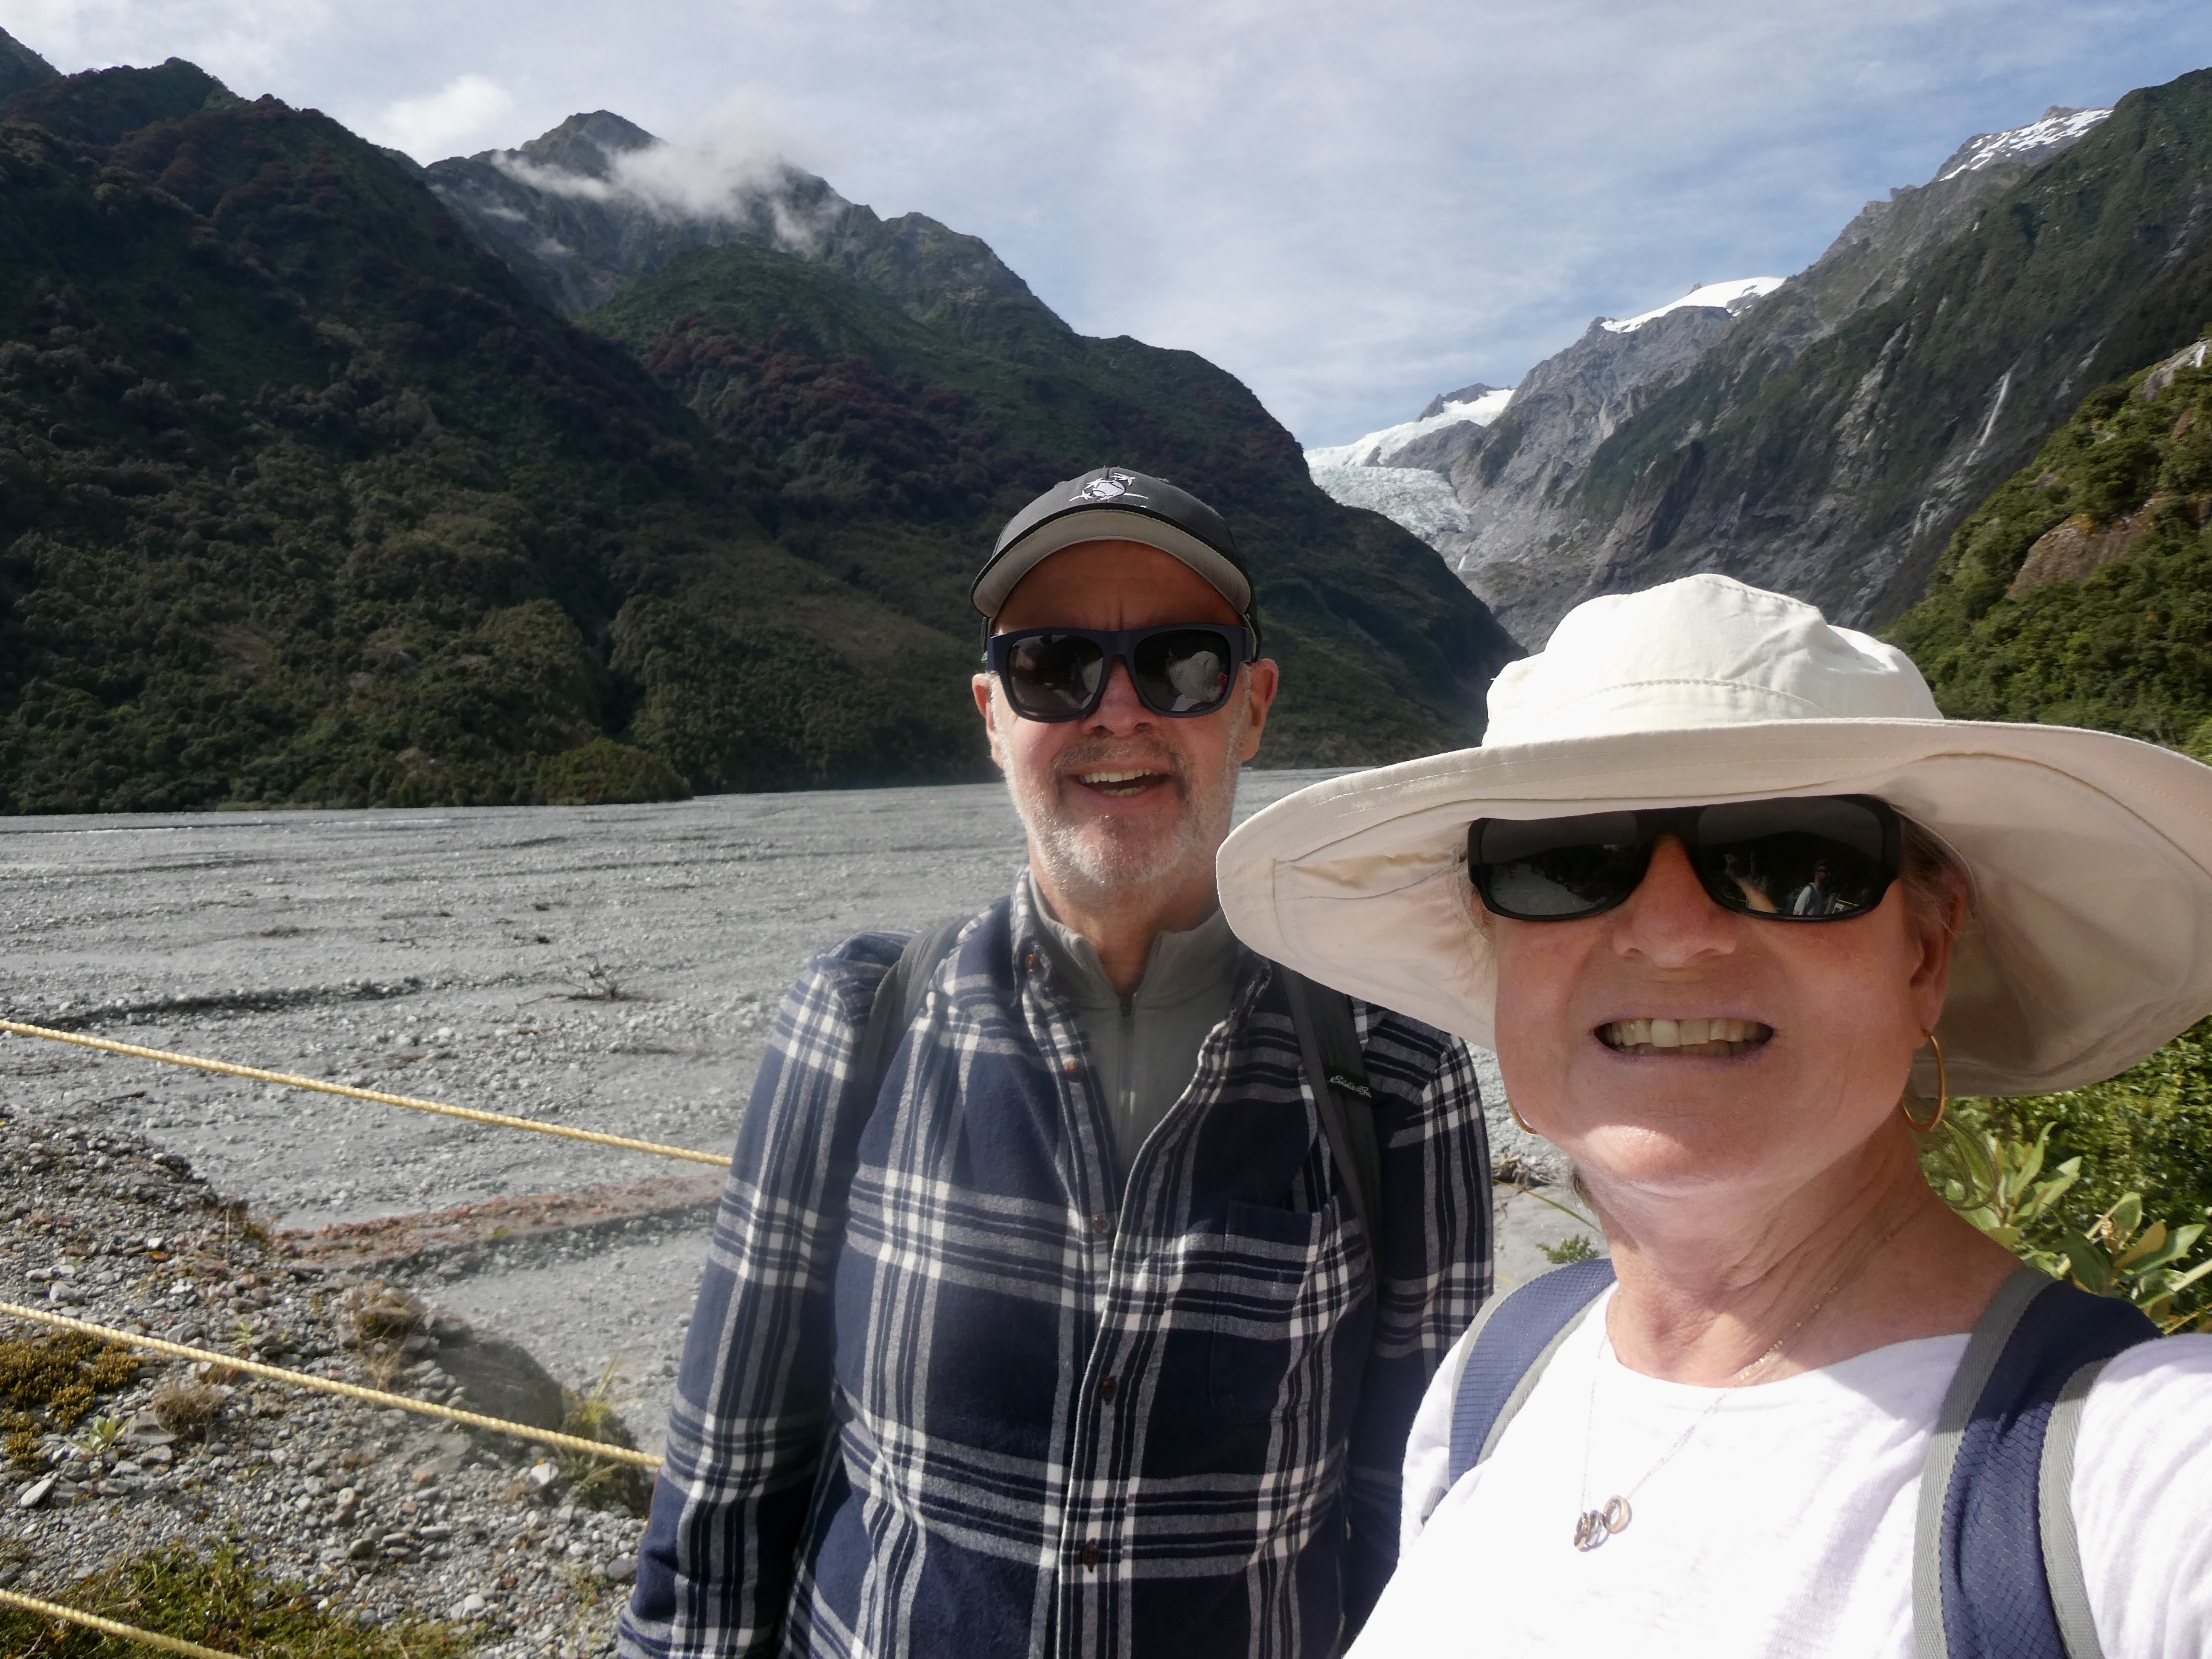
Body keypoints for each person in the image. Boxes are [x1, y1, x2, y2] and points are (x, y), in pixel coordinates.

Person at [1216, 573, 2212, 1655]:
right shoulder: (1496, 1379)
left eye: (1789, 858)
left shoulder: (2142, 1477)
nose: (1670, 931)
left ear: (1925, 953)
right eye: (1565, 861)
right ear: (1496, 950)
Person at [618, 466, 1494, 1659]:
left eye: (1181, 663)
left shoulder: (1391, 1071)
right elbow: (726, 1482)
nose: (1117, 710)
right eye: (1053, 666)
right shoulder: (861, 1019)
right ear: (994, 714)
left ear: (1252, 706)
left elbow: (1421, 1529)